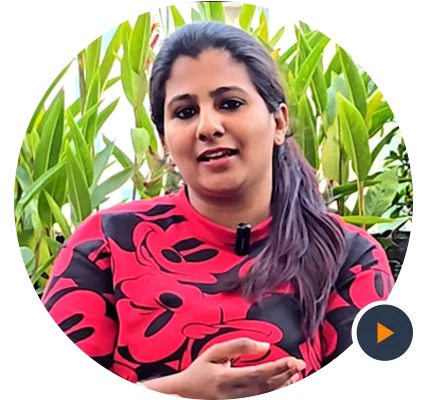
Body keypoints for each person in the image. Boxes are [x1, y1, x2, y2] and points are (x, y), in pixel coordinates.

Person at [40, 21, 395, 399]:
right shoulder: (107, 244)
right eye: (185, 112)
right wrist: (173, 393)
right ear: (164, 140)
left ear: (278, 122)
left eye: (230, 104)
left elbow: (380, 390)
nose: (208, 126)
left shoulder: (348, 254)